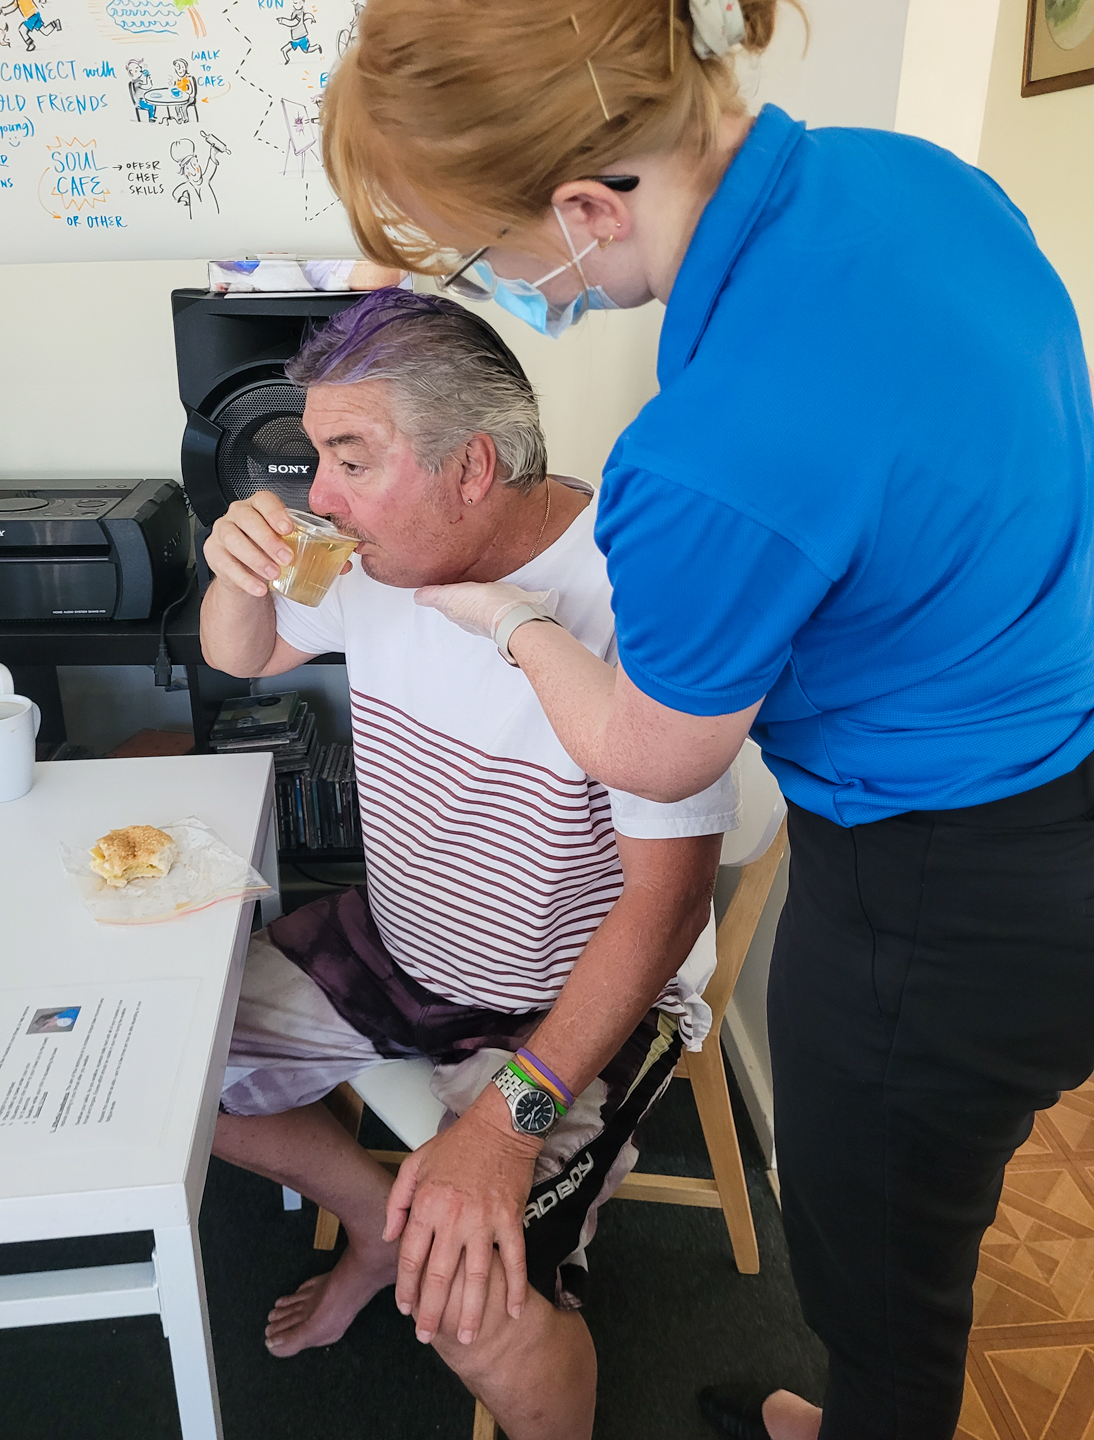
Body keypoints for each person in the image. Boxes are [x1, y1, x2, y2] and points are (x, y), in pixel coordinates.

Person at [316, 3, 1094, 1439]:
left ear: (582, 208)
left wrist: (516, 624)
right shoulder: (915, 183)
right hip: (1059, 763)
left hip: (940, 894)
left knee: (882, 1280)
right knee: (916, 1236)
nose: (499, 284)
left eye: (487, 256)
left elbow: (654, 754)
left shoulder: (705, 454)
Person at [199, 290, 738, 1440]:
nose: (318, 497)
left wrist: (505, 1124)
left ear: (473, 466)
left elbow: (669, 902)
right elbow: (241, 659)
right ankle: (381, 1214)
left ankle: (425, 1250)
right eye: (314, 457)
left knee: (472, 1314)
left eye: (350, 457)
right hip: (395, 947)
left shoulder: (642, 602)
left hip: (562, 1002)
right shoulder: (371, 559)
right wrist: (236, 577)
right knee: (161, 1075)